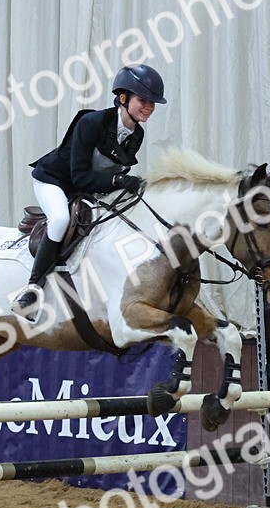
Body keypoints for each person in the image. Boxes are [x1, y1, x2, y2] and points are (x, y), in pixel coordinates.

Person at [15, 63, 167, 319]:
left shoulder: (136, 135)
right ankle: (32, 289)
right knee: (61, 219)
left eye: (153, 103)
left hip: (86, 188)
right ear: (123, 98)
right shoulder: (91, 122)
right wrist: (118, 181)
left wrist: (127, 185)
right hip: (55, 180)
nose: (149, 108)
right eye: (143, 100)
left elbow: (110, 172)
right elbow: (80, 175)